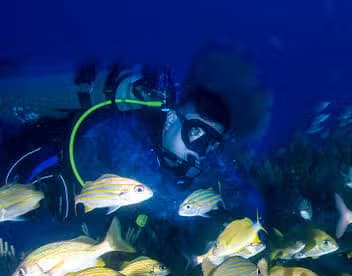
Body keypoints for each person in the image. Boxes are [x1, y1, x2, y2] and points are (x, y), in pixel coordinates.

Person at [0, 50, 269, 221]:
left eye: (210, 143)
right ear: (173, 118)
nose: (199, 150)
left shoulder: (187, 174)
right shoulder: (122, 123)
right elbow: (33, 152)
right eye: (196, 133)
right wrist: (46, 184)